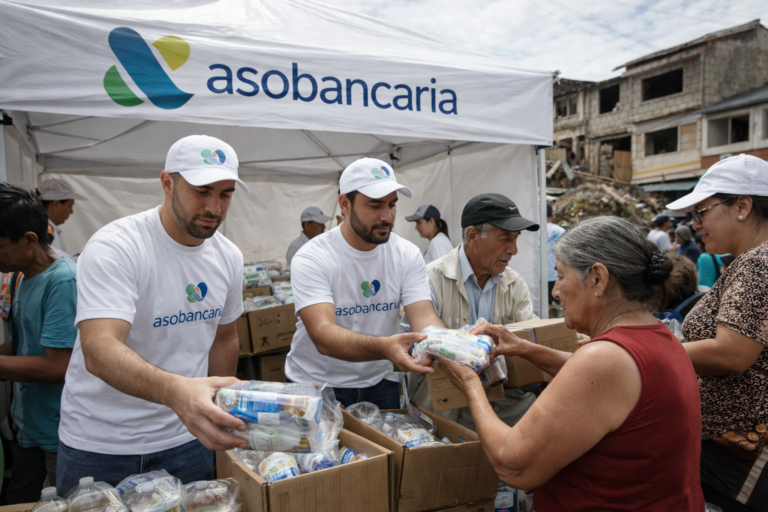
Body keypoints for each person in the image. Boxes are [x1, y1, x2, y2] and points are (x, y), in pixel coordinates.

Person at [437, 216, 705, 511]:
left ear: (598, 279)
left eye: (561, 276)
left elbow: (513, 465)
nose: (555, 291)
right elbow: (596, 386)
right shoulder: (657, 336)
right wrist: (523, 348)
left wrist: (468, 381)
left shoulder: (604, 359)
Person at [56, 135, 251, 491]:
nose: (214, 208)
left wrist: (219, 408)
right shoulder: (118, 246)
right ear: (167, 182)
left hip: (188, 439)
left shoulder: (228, 256)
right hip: (102, 446)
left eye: (225, 194)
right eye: (202, 190)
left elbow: (224, 336)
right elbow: (99, 350)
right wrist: (178, 393)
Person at [285, 157, 445, 409]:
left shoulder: (407, 253)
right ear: (344, 204)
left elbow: (424, 316)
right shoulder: (312, 256)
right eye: (375, 205)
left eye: (392, 205)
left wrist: (452, 345)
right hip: (317, 386)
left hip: (381, 383)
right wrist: (385, 348)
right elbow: (323, 335)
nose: (386, 216)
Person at [667, 154, 768, 511]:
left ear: (742, 206)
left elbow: (731, 353)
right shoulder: (747, 262)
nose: (696, 224)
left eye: (702, 212)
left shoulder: (757, 264)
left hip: (738, 453)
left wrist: (656, 349)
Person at [409, 193, 540, 430]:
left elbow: (530, 341)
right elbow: (411, 345)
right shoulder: (429, 279)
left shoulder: (514, 283)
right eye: (505, 238)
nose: (514, 249)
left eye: (516, 238)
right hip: (444, 406)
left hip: (504, 405)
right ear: (472, 236)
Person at [0, 184, 76, 503]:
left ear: (30, 240)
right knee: (19, 497)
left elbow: (57, 366)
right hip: (27, 423)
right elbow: (21, 344)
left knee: (65, 500)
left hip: (59, 430)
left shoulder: (62, 281)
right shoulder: (19, 275)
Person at [36, 179, 86, 258]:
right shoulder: (45, 231)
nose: (71, 211)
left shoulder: (42, 228)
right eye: (70, 206)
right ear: (56, 204)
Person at [545, 203, 565, 307]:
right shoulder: (560, 231)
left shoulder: (533, 231)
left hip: (537, 276)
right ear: (552, 215)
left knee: (543, 305)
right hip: (555, 275)